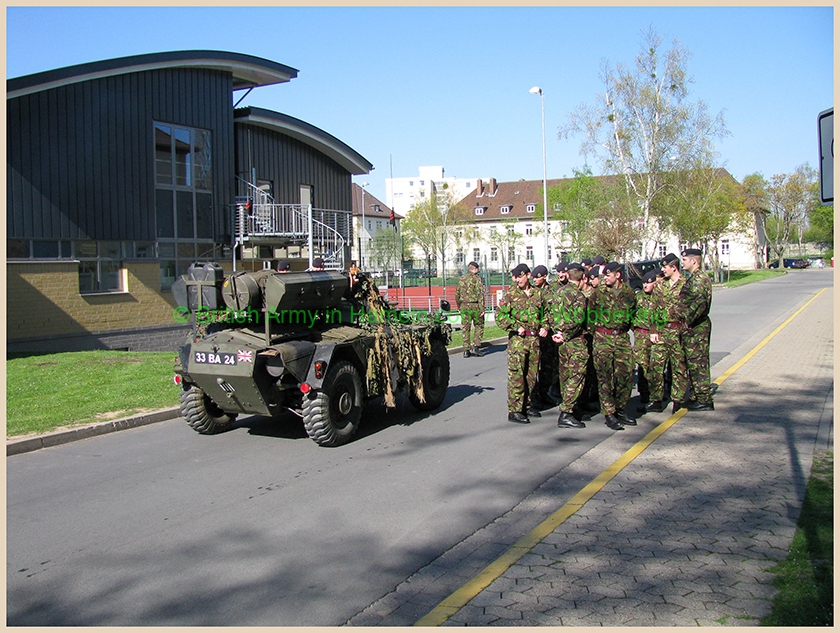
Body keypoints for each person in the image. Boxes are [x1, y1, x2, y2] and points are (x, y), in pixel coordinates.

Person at [496, 263, 549, 424]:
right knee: (517, 377)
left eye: (520, 276)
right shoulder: (510, 295)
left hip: (534, 341)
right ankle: (515, 410)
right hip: (518, 342)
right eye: (515, 276)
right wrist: (514, 326)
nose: (517, 279)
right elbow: (500, 316)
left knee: (531, 377)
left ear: (528, 275)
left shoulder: (537, 294)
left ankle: (526, 405)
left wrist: (545, 327)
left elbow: (546, 312)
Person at [588, 261, 637, 430]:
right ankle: (609, 413)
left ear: (618, 275)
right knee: (605, 378)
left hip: (622, 338)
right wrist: (598, 335)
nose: (605, 278)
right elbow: (590, 315)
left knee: (626, 374)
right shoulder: (599, 292)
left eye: (608, 275)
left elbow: (633, 315)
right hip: (603, 338)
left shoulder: (629, 293)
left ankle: (621, 408)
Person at [647, 253, 689, 413]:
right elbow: (653, 309)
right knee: (655, 366)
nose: (663, 270)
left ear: (674, 267)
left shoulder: (686, 284)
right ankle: (656, 399)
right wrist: (653, 330)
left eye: (665, 267)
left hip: (679, 330)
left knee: (679, 366)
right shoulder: (660, 286)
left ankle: (677, 399)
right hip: (662, 331)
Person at [549, 263, 589, 428]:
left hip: (562, 342)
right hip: (574, 341)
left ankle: (572, 409)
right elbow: (578, 320)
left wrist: (557, 332)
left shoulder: (558, 292)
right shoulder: (578, 296)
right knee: (576, 376)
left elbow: (551, 315)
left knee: (565, 376)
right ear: (582, 278)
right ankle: (566, 412)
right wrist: (565, 334)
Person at [679, 248, 715, 411]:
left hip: (696, 327)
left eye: (685, 260)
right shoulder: (694, 278)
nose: (683, 262)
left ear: (694, 261)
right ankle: (696, 395)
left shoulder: (699, 279)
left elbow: (700, 303)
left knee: (698, 363)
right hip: (693, 326)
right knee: (692, 362)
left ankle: (704, 399)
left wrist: (687, 320)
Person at [530, 265, 560, 409]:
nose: (535, 279)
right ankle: (533, 397)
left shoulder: (552, 292)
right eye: (534, 277)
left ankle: (543, 393)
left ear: (545, 276)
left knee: (548, 367)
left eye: (538, 277)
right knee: (533, 367)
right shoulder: (531, 292)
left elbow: (554, 313)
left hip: (547, 335)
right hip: (533, 334)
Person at [633, 269, 659, 413]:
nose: (645, 286)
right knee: (642, 365)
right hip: (641, 335)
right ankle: (644, 394)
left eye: (649, 283)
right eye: (643, 283)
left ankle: (656, 395)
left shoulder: (659, 297)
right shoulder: (638, 298)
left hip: (656, 335)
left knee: (655, 367)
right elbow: (630, 315)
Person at [455, 261, 486, 358]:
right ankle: (476, 347)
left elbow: (457, 294)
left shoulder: (462, 279)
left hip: (464, 306)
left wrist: (459, 306)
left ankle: (466, 350)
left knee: (465, 327)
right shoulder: (477, 279)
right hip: (475, 305)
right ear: (475, 269)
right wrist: (482, 308)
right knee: (479, 325)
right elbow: (480, 294)